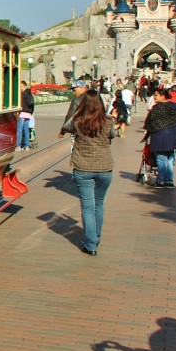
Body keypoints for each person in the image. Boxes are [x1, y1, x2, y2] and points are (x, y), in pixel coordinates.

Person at [60, 90, 115, 256]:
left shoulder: (77, 121)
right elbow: (113, 135)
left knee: (87, 206)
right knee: (99, 203)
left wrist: (78, 111)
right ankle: (96, 237)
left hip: (83, 167)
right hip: (104, 167)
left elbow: (66, 126)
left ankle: (91, 245)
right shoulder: (108, 121)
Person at [141, 87, 176, 189]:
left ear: (163, 96)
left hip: (160, 137)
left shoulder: (157, 108)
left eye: (156, 95)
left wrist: (150, 130)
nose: (154, 97)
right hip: (173, 137)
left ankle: (161, 181)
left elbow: (150, 122)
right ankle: (169, 181)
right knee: (169, 159)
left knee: (161, 159)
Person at [17, 81, 34, 150]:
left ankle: (18, 146)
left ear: (24, 86)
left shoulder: (23, 94)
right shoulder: (30, 93)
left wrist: (19, 112)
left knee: (19, 130)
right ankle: (26, 146)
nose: (20, 88)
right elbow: (32, 104)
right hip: (28, 114)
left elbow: (21, 104)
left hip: (22, 113)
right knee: (26, 130)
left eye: (21, 86)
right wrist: (30, 112)